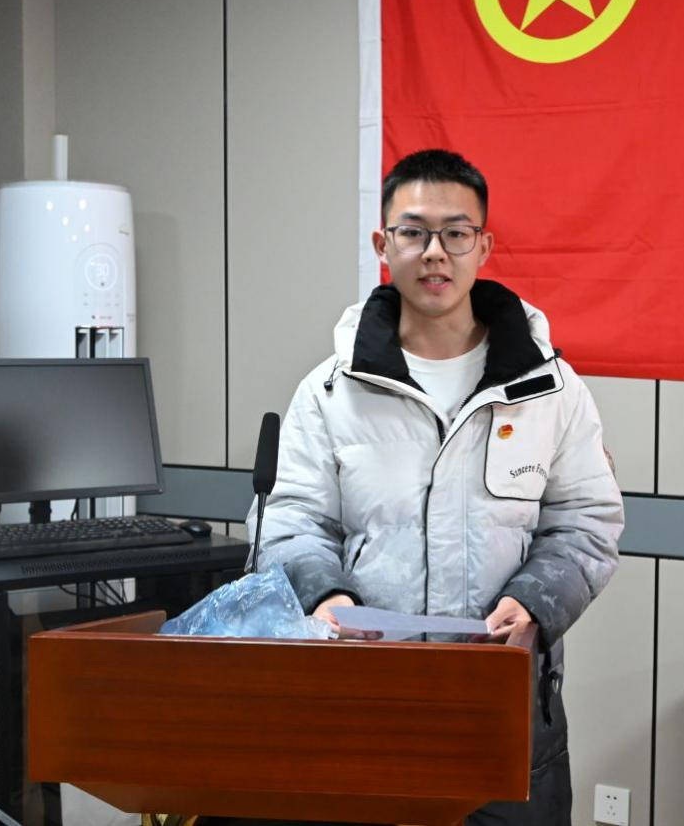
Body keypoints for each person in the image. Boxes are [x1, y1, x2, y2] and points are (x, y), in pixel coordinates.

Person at [247, 148, 624, 824]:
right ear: (382, 245)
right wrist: (326, 597)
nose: (434, 253)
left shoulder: (549, 389)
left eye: (455, 233)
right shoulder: (330, 391)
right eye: (413, 232)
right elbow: (290, 519)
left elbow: (586, 521)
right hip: (363, 709)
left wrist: (534, 603)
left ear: (484, 246)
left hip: (506, 714)